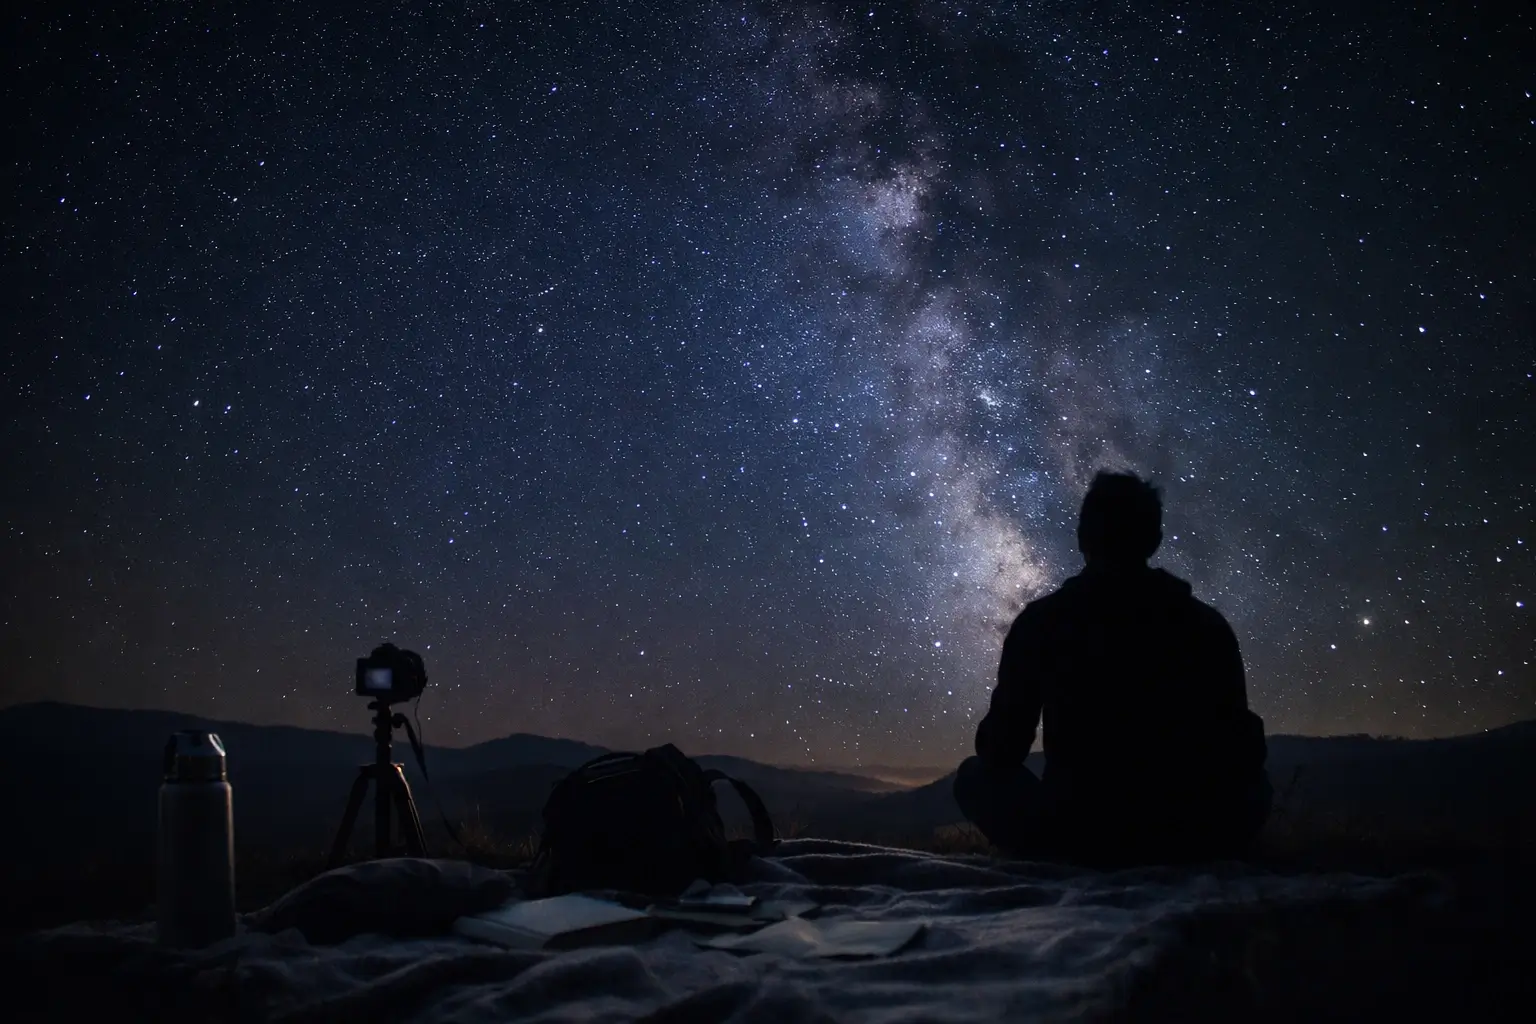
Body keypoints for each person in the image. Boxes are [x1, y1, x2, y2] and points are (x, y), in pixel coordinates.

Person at [953, 471, 1272, 865]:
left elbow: (1001, 751)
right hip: (1187, 831)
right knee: (1255, 785)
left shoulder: (1042, 623)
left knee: (974, 776)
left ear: (1082, 538)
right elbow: (1243, 748)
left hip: (1074, 831)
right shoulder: (1204, 624)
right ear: (1154, 540)